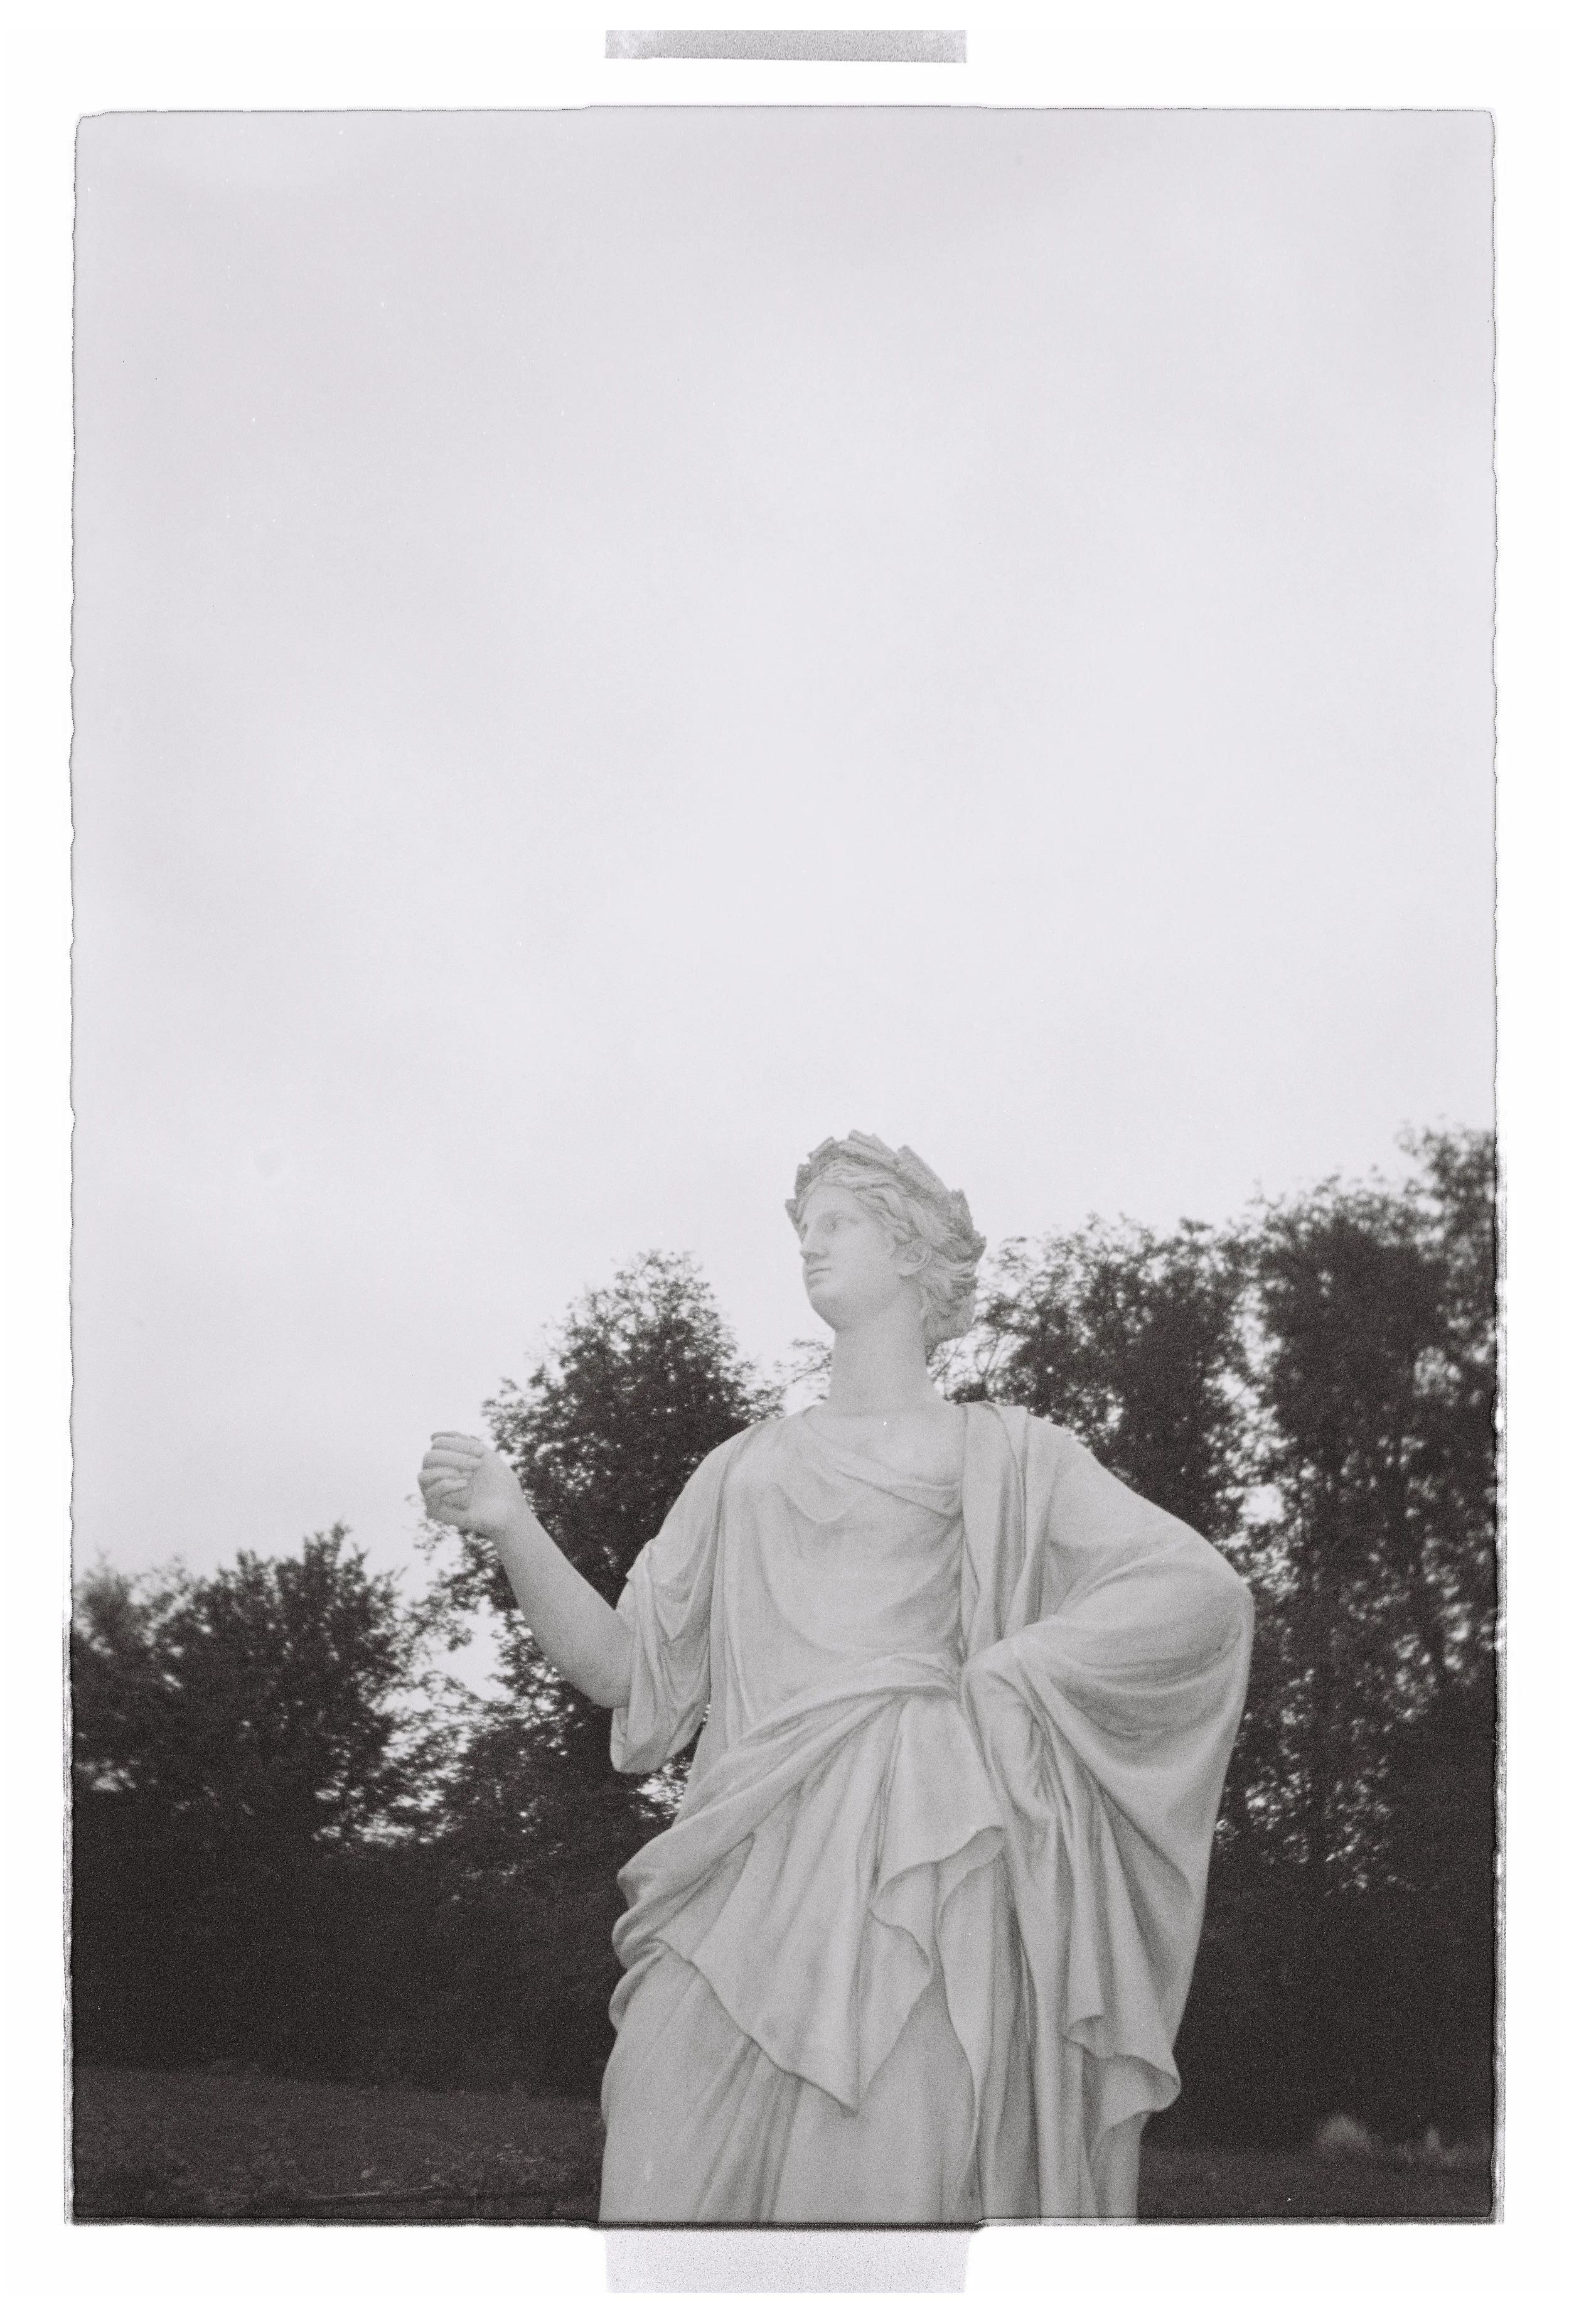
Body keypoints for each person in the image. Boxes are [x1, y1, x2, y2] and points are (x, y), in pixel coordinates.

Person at [419, 1131, 1252, 2222]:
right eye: (803, 1230)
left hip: (917, 1876)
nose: (810, 1247)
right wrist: (514, 1524)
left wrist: (1005, 1681)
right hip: (734, 1877)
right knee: (656, 2196)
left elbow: (1197, 1593)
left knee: (880, 2226)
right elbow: (628, 1668)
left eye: (838, 1223)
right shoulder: (743, 1468)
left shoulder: (1006, 1455)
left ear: (911, 1254)